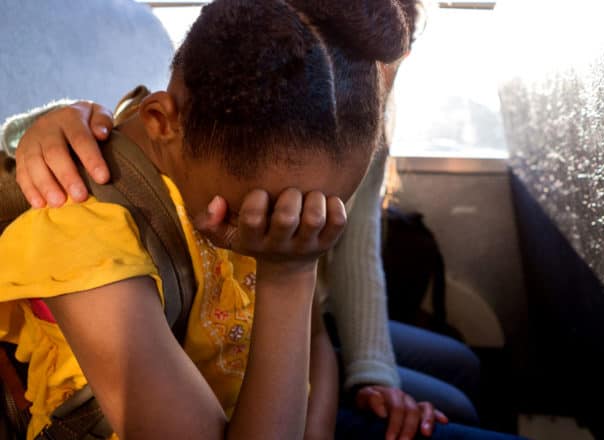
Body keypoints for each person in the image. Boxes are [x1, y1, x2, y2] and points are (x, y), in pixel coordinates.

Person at [3, 0, 484, 435]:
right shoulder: (85, 230)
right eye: (273, 216)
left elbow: (313, 337)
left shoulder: (252, 178)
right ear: (161, 122)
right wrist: (288, 277)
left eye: (320, 220)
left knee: (465, 381)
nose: (293, 231)